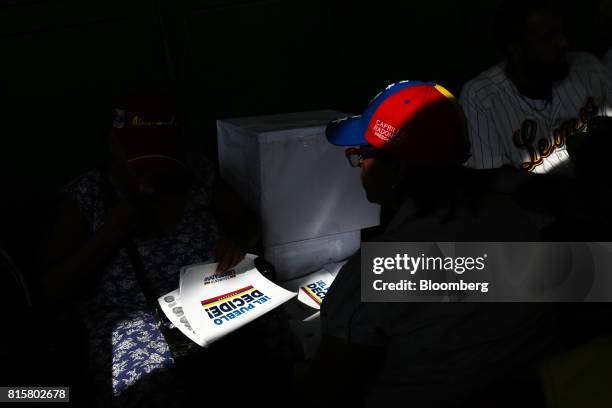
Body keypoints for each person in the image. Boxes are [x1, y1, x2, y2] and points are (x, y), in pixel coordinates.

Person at [303, 81, 561, 407]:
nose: (360, 168)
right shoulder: (519, 215)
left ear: (396, 168)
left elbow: (325, 393)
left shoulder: (376, 273)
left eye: (362, 155)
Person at [40, 90, 260, 407]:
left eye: (161, 164)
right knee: (143, 378)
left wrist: (236, 241)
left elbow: (246, 220)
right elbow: (54, 288)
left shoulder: (194, 175)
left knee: (267, 341)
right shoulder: (87, 196)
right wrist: (111, 231)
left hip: (213, 300)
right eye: (138, 165)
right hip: (136, 321)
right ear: (114, 150)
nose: (149, 178)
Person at [460, 0, 612, 174]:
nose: (564, 43)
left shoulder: (587, 67)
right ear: (515, 49)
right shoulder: (481, 97)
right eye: (549, 38)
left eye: (562, 32)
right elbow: (493, 185)